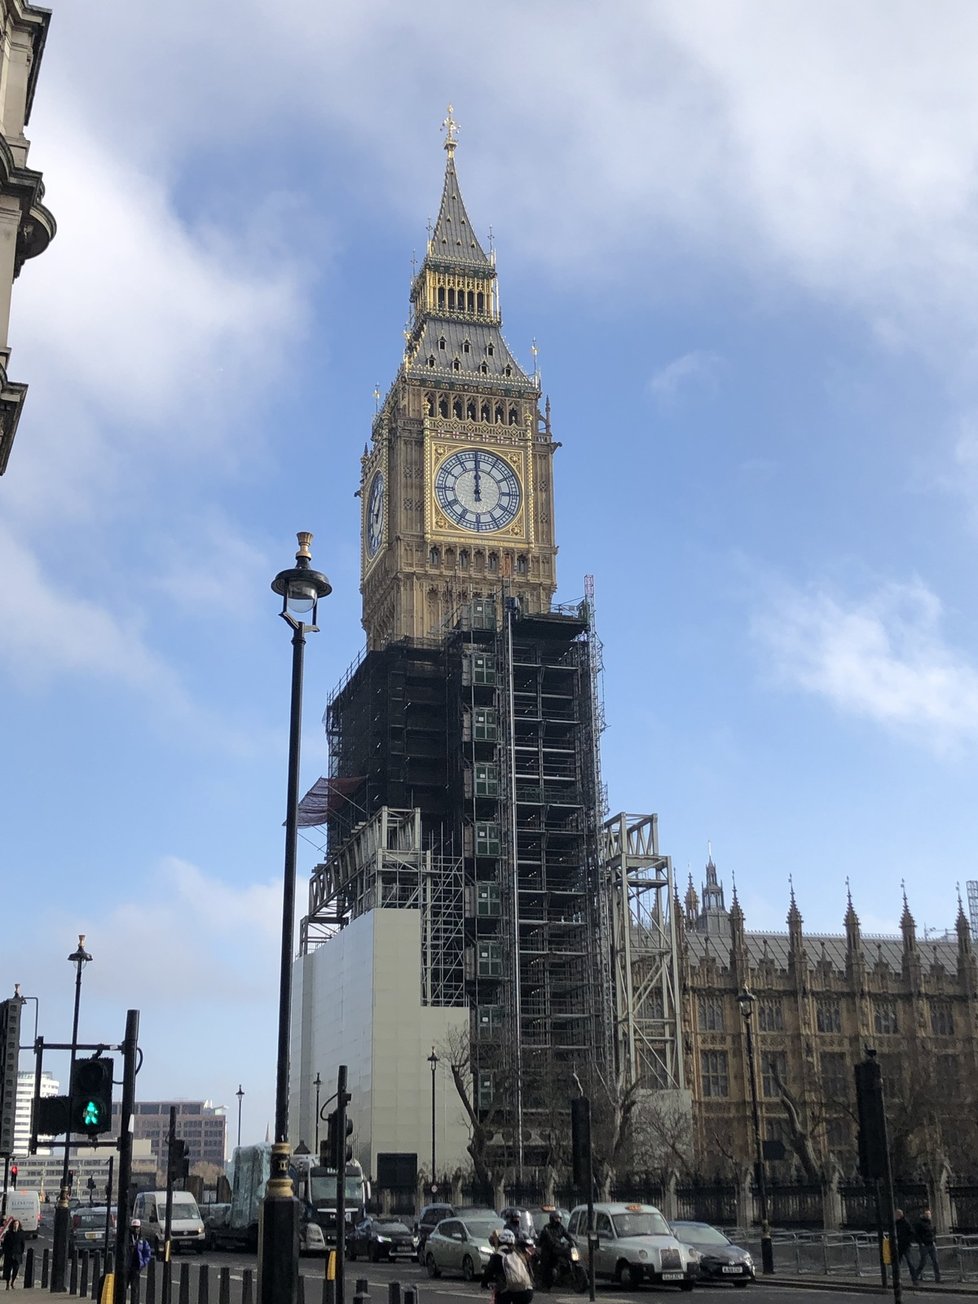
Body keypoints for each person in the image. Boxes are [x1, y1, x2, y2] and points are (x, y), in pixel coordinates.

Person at [482, 1227, 534, 1304]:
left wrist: (484, 1283)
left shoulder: (497, 1256)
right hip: (527, 1291)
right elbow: (530, 1272)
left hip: (508, 1291)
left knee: (501, 1296)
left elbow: (488, 1272)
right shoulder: (519, 1254)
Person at [536, 1211, 574, 1290]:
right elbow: (549, 1239)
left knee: (566, 1256)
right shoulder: (547, 1228)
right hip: (548, 1249)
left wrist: (572, 1241)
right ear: (552, 1219)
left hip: (557, 1248)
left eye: (559, 1218)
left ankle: (565, 1276)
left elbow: (567, 1234)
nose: (558, 1220)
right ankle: (544, 1284)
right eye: (556, 1218)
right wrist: (554, 1243)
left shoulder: (561, 1227)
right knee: (546, 1265)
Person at [914, 1208, 940, 1283]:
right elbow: (916, 1234)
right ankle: (915, 1275)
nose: (929, 1215)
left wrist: (934, 1240)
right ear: (924, 1215)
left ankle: (937, 1278)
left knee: (935, 1261)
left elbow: (932, 1233)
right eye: (927, 1214)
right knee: (923, 1262)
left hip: (931, 1244)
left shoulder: (929, 1223)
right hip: (924, 1245)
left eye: (929, 1214)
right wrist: (920, 1243)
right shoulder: (920, 1223)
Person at [1, 1218, 26, 1290]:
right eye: (15, 1224)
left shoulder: (21, 1233)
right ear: (12, 1225)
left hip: (17, 1254)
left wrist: (21, 1252)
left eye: (17, 1224)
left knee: (16, 1269)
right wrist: (5, 1252)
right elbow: (5, 1244)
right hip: (9, 1254)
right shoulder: (8, 1233)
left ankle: (13, 1281)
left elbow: (22, 1244)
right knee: (8, 1270)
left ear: (19, 1225)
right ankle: (7, 1283)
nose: (16, 1225)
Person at [894, 1209, 917, 1283]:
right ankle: (897, 1278)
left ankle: (914, 1279)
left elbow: (912, 1233)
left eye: (896, 1215)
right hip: (900, 1245)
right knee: (898, 1262)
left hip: (905, 1245)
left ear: (899, 1215)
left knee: (909, 1262)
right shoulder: (897, 1223)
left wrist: (907, 1240)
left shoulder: (905, 1222)